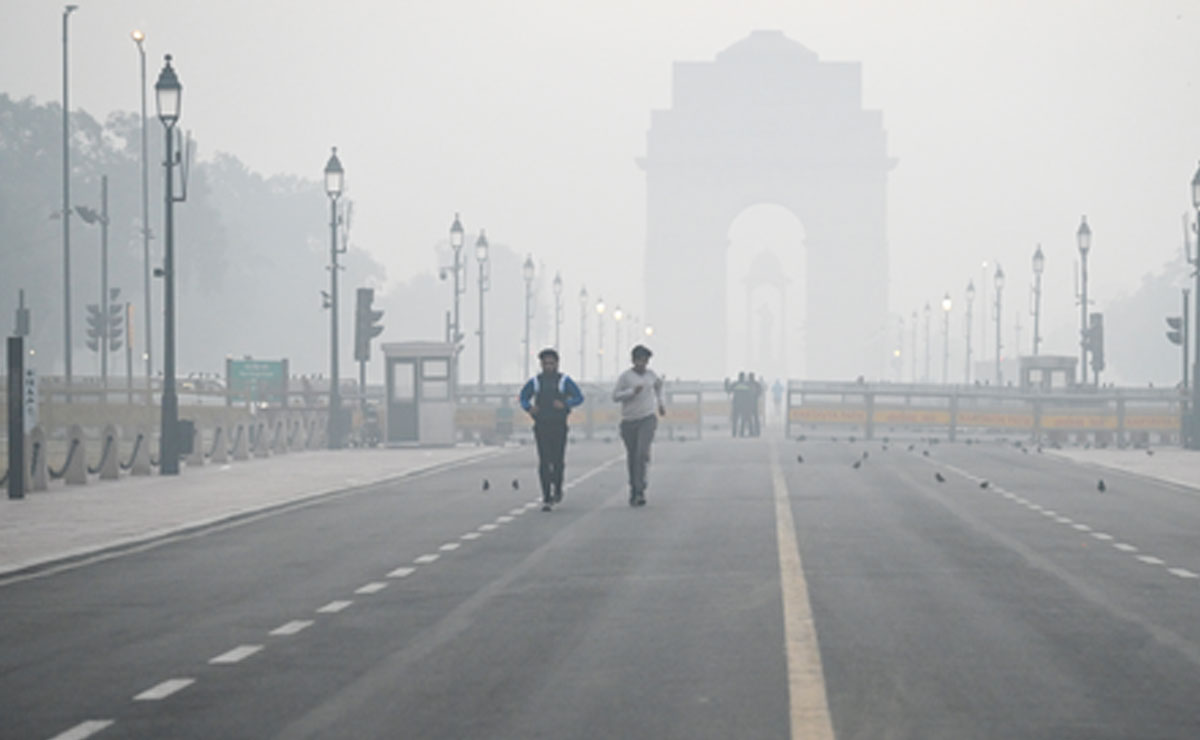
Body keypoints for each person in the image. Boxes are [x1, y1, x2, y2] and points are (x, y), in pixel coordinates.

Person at [519, 348, 585, 511]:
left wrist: (566, 404)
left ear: (557, 363)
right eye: (545, 363)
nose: (548, 366)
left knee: (557, 460)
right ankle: (546, 495)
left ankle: (557, 487)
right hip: (541, 425)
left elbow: (579, 397)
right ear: (541, 364)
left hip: (559, 425)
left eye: (551, 363)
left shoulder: (564, 381)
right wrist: (529, 407)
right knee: (544, 460)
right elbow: (523, 397)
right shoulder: (535, 382)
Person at [612, 344, 666, 507]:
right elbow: (615, 396)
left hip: (647, 418)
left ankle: (641, 487)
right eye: (639, 361)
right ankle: (634, 488)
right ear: (633, 361)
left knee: (641, 453)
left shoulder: (651, 376)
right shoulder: (626, 377)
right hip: (629, 421)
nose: (642, 364)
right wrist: (631, 392)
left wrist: (661, 403)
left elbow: (659, 387)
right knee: (633, 455)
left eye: (645, 361)